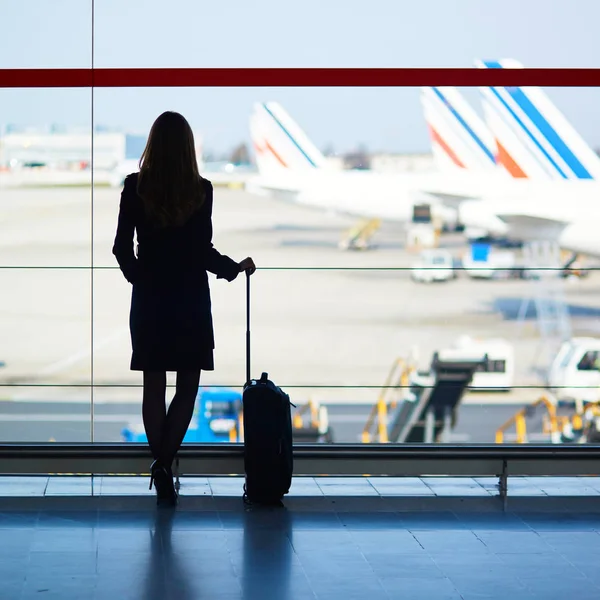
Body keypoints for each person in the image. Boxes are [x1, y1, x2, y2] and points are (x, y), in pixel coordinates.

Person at [112, 111, 256, 506]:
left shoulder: (134, 187)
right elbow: (201, 251)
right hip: (189, 301)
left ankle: (160, 468)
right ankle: (163, 465)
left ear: (153, 145)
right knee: (187, 388)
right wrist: (233, 269)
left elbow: (121, 248)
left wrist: (141, 280)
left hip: (151, 301)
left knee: (153, 386)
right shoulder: (201, 190)